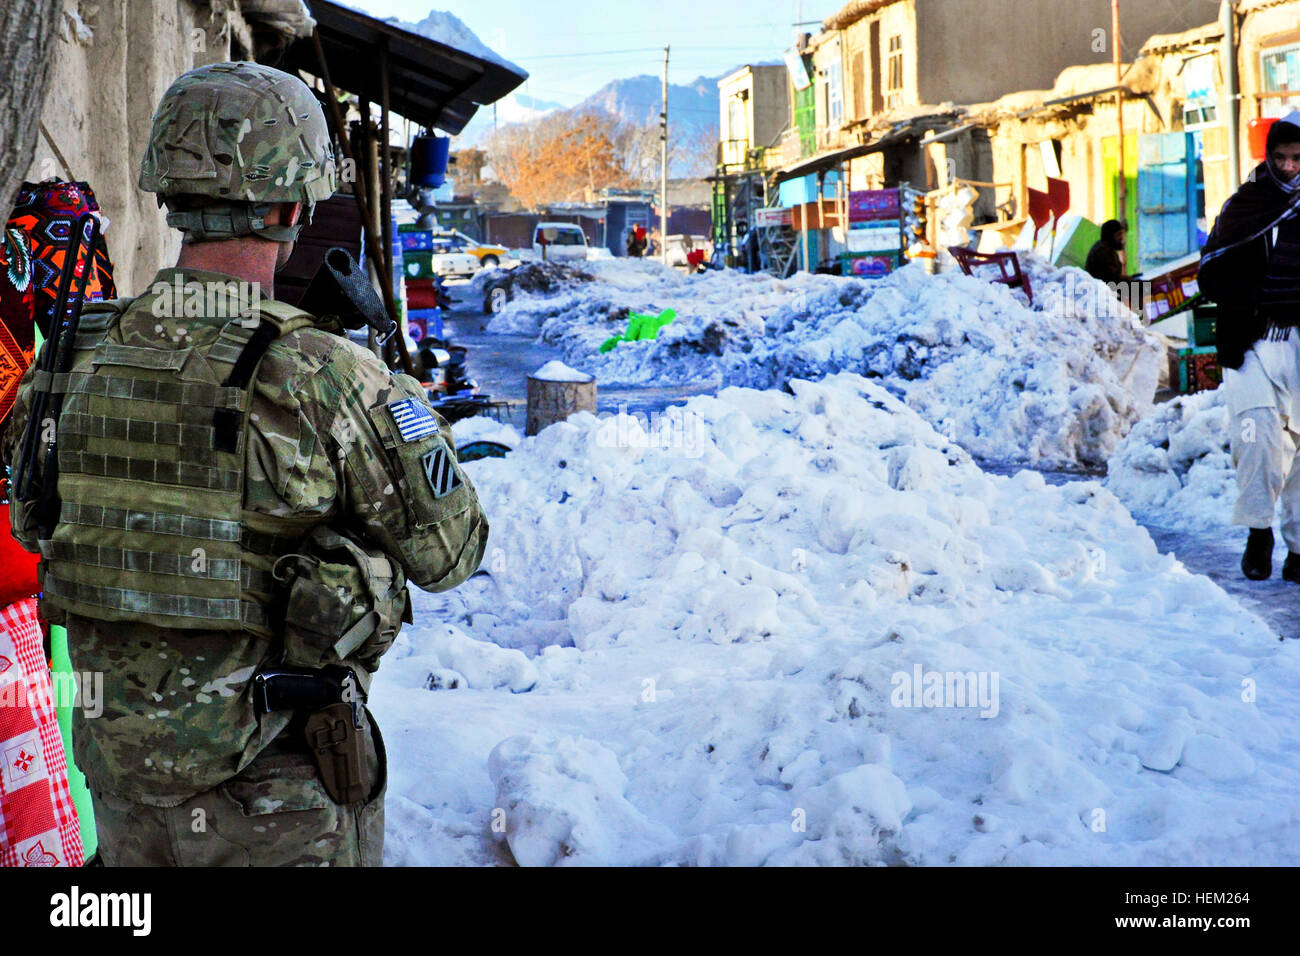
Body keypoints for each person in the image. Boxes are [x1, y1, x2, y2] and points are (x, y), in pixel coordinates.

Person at [3, 61, 489, 865]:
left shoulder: (74, 352)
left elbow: (34, 523)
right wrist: (391, 391)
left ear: (169, 191)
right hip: (276, 804)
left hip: (122, 792)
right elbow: (452, 552)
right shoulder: (324, 372)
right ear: (294, 204)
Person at [1199, 110, 1300, 582]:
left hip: (1298, 340)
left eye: (1297, 159)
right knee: (1256, 434)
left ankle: (1299, 548)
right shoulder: (1246, 204)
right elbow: (1211, 272)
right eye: (1279, 158)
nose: (1288, 168)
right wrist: (1253, 296)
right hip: (1252, 338)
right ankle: (1259, 532)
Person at [1085, 219, 1136, 284]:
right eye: (1119, 234)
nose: (1122, 239)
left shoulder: (1106, 248)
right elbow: (1115, 284)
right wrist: (1148, 288)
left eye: (1122, 234)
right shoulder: (1102, 252)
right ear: (1110, 236)